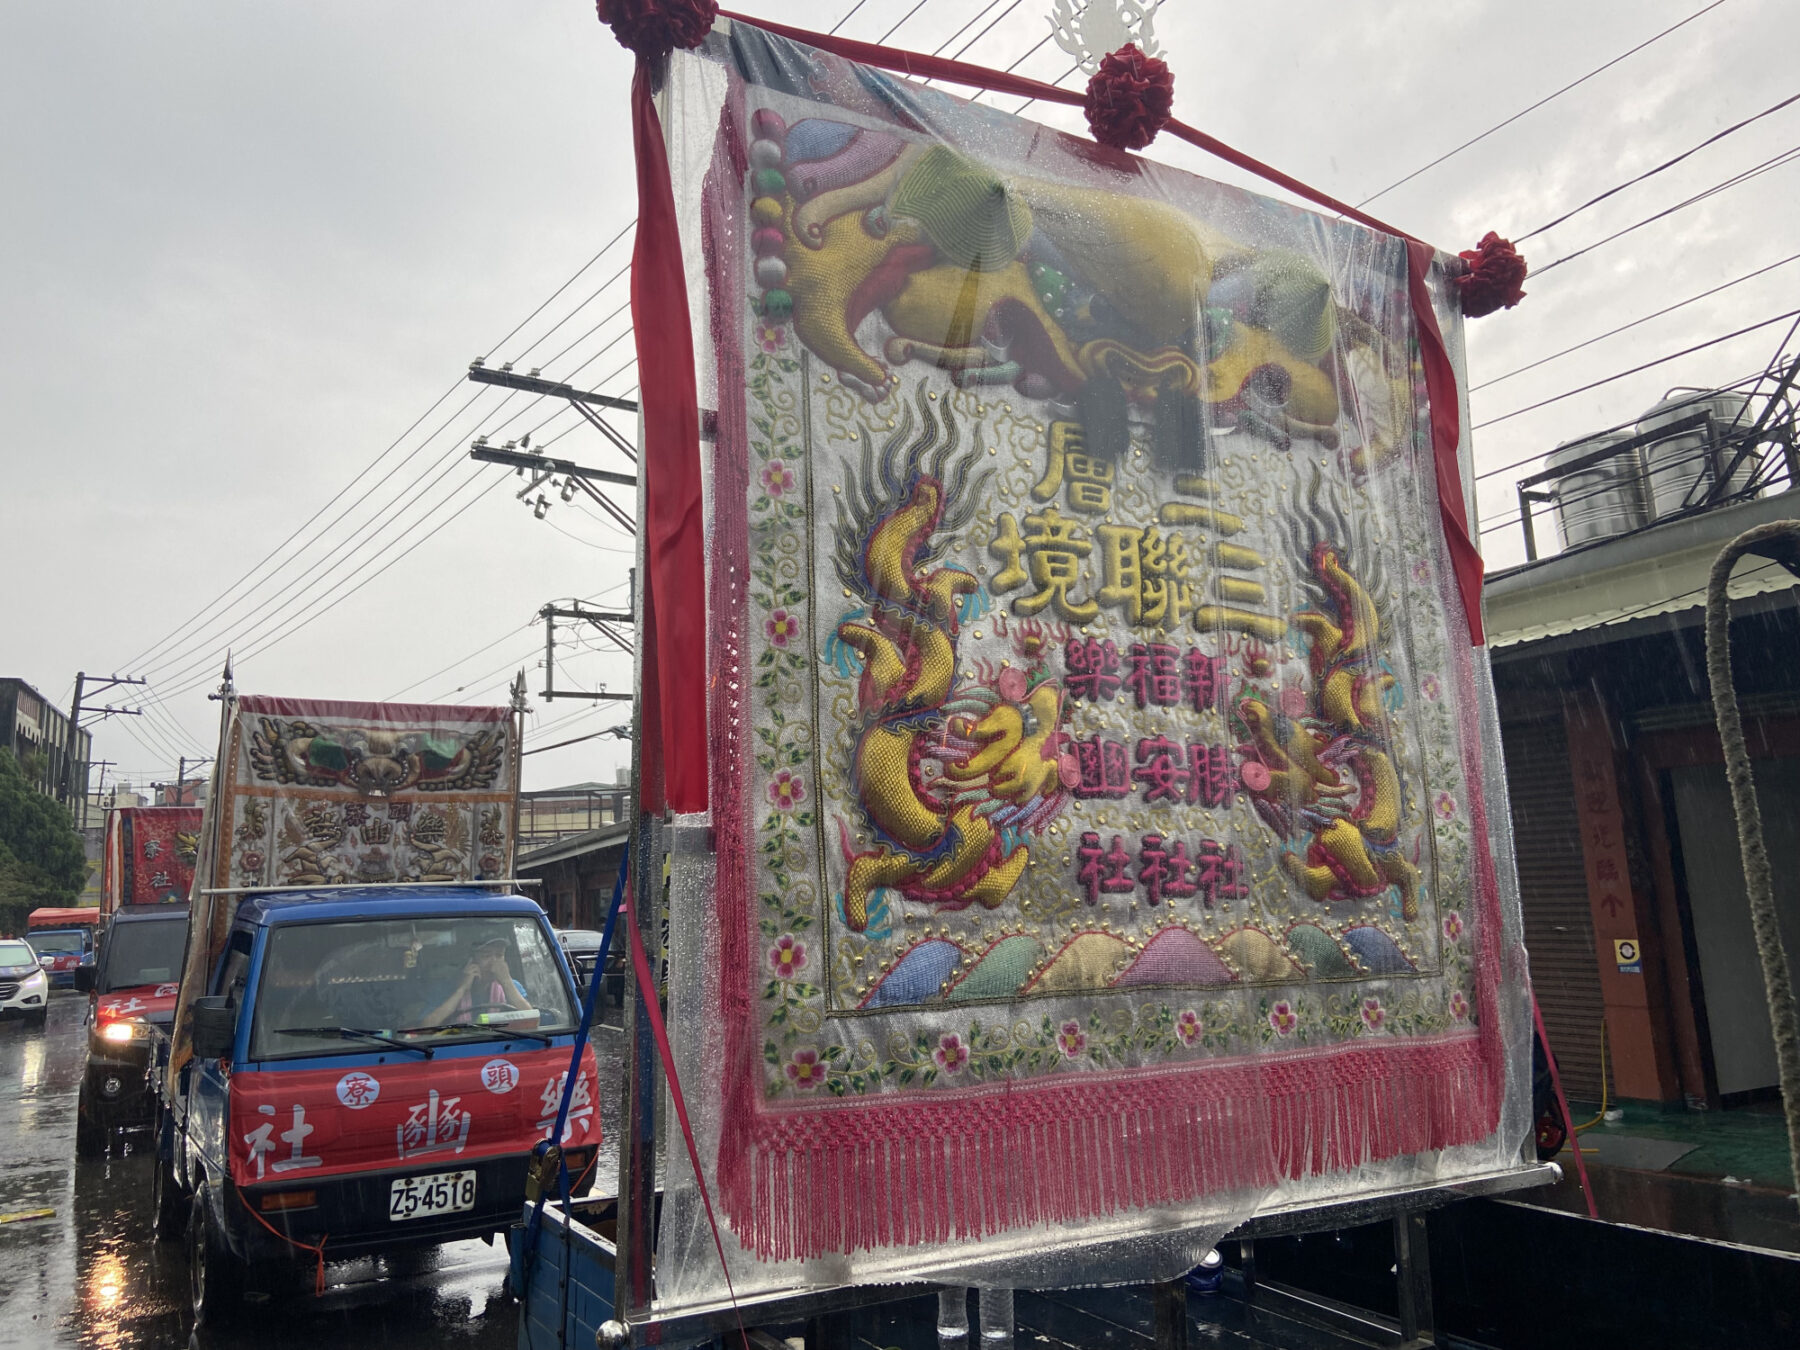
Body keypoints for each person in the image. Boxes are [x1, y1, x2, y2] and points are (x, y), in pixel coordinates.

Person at [417, 935, 532, 1027]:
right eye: (486, 956)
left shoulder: (513, 986)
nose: (493, 963)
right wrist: (461, 990)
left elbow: (532, 1022)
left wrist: (507, 982)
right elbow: (425, 1026)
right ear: (470, 960)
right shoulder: (445, 988)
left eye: (499, 955)